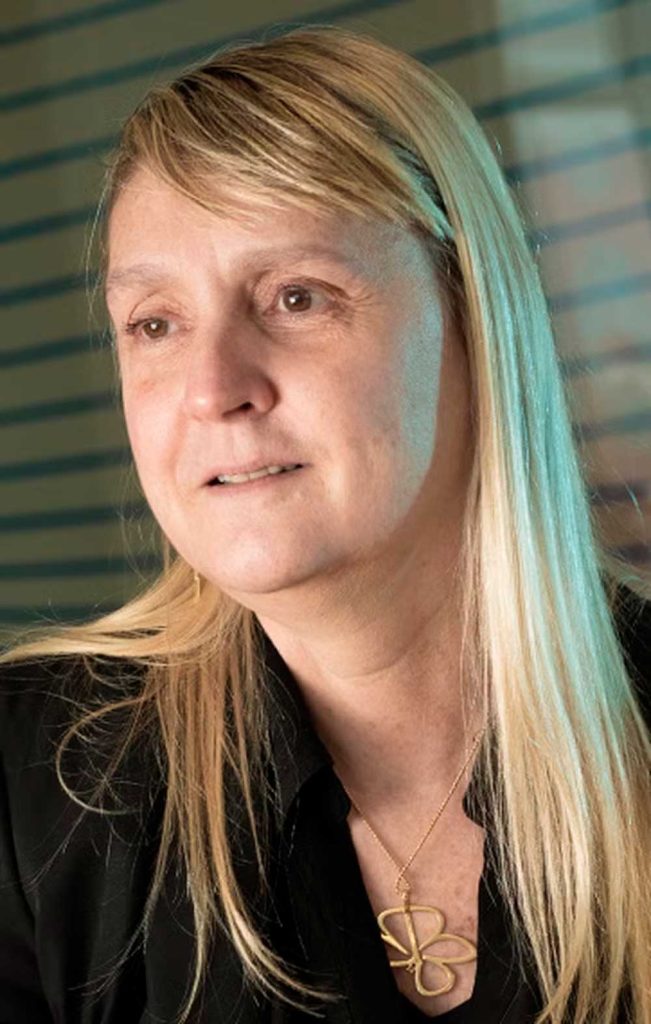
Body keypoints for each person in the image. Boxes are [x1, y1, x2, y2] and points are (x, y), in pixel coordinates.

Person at [0, 23, 649, 1024]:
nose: (212, 387)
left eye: (296, 297)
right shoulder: (30, 785)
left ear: (472, 319)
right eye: (155, 322)